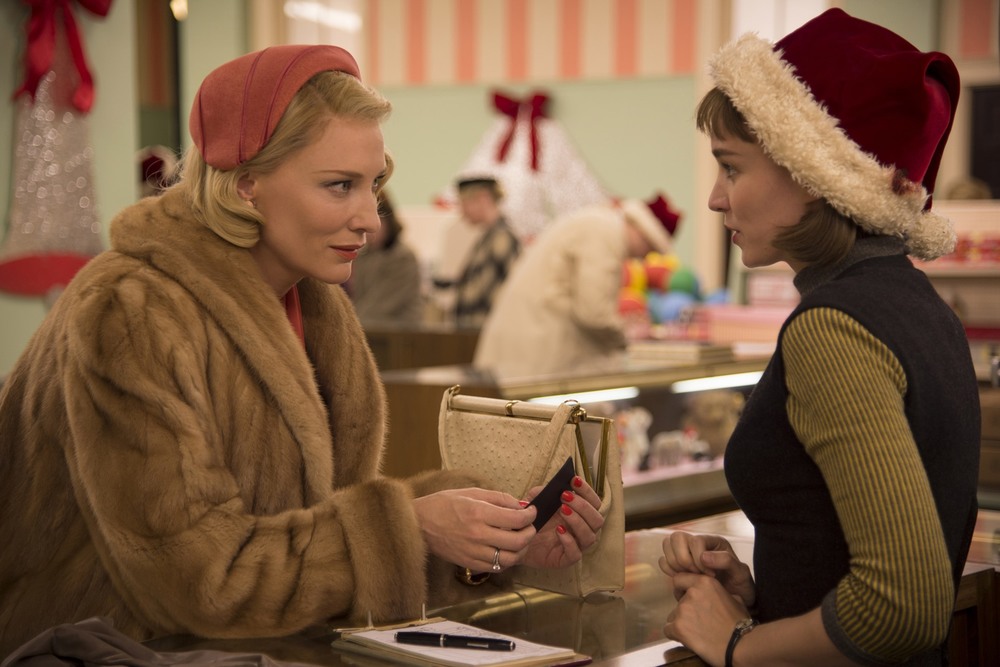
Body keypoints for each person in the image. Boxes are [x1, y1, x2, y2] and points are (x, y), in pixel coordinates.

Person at [0, 45, 605, 657]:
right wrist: (412, 524)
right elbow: (199, 583)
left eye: (374, 185)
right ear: (244, 187)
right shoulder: (130, 310)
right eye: (339, 186)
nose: (369, 218)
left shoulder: (311, 300)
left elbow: (313, 540)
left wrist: (490, 540)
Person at [658, 10, 980, 667]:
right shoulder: (917, 304)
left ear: (811, 174)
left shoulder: (833, 329)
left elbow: (902, 605)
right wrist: (758, 592)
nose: (716, 199)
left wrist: (737, 644)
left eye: (731, 167)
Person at [474, 194, 680, 378]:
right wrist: (629, 335)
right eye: (650, 248)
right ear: (643, 231)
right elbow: (593, 313)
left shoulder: (598, 224)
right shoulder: (606, 234)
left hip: (526, 347)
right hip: (537, 353)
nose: (644, 258)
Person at [430, 175, 521, 327]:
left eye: (464, 202)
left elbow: (482, 295)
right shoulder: (490, 237)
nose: (462, 212)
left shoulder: (501, 239)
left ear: (483, 198)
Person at [346, 189, 424, 327]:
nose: (369, 228)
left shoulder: (402, 258)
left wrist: (348, 326)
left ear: (388, 221)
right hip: (373, 330)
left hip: (400, 336)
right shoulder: (364, 255)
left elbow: (380, 307)